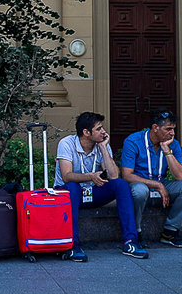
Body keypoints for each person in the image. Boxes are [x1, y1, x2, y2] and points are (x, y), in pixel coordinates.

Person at [54, 111, 147, 261]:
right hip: (69, 195)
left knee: (120, 184)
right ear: (86, 132)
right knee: (71, 186)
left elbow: (114, 175)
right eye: (98, 129)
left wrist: (104, 148)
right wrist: (90, 176)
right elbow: (66, 176)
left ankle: (130, 242)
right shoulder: (66, 143)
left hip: (91, 193)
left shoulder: (101, 144)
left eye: (102, 128)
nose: (103, 132)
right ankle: (72, 246)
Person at [120, 110, 182, 247]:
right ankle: (135, 233)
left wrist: (167, 150)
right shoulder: (133, 141)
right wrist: (157, 185)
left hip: (163, 183)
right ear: (155, 128)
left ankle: (170, 232)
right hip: (141, 184)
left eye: (173, 129)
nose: (172, 133)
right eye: (168, 129)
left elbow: (181, 175)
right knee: (139, 190)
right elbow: (127, 175)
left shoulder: (172, 144)